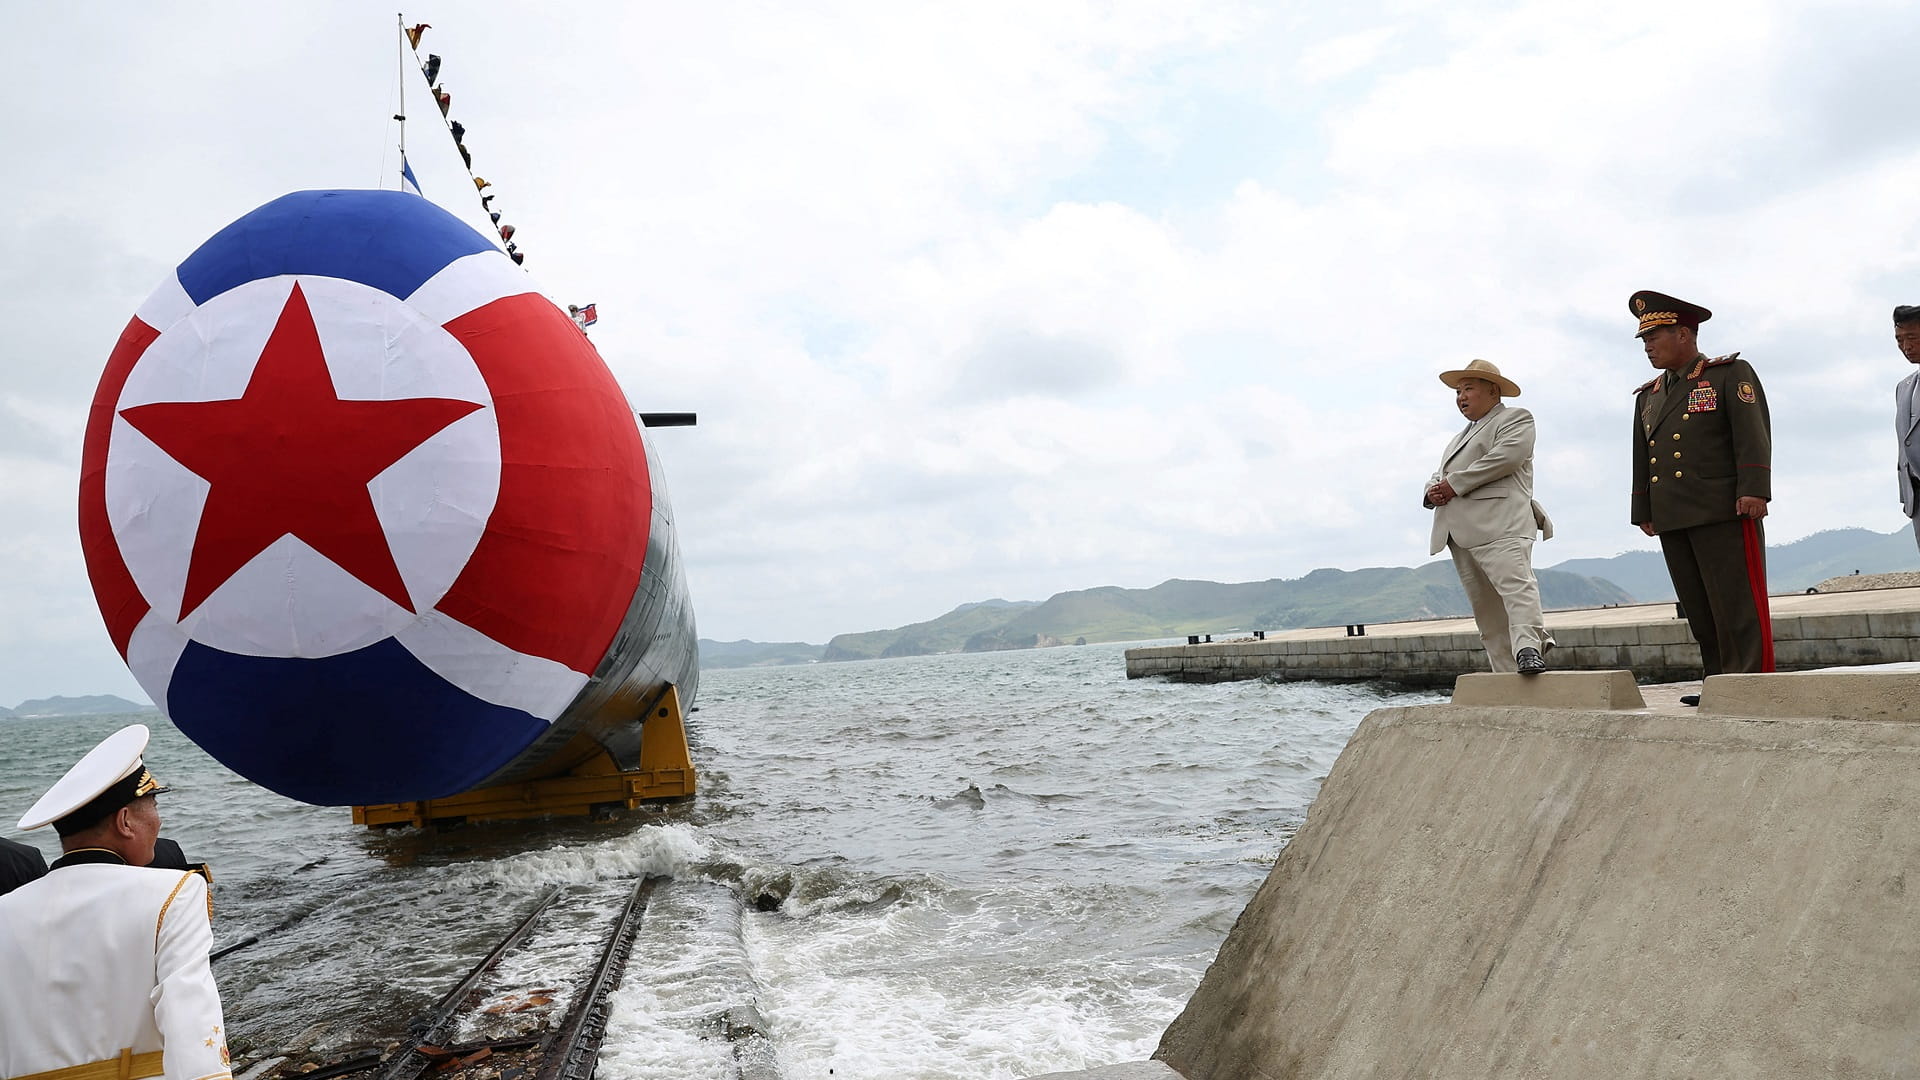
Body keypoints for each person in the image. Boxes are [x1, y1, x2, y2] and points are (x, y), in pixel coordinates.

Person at [0, 724, 231, 1080]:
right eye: (152, 804)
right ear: (125, 821)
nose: (159, 819)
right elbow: (192, 1024)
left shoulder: (6, 910)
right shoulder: (175, 893)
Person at [1628, 290, 1773, 686]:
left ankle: (1751, 682)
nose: (1648, 346)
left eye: (1655, 336)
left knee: (1736, 602)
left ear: (1685, 334)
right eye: (1643, 339)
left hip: (1723, 507)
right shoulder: (1649, 396)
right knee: (1699, 606)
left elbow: (1752, 434)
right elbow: (1644, 452)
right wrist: (1643, 509)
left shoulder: (1727, 374)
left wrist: (1755, 488)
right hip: (1673, 514)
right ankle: (1719, 680)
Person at [1424, 358, 1554, 675]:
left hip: (1502, 522)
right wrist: (1431, 491)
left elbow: (1505, 457)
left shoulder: (1515, 418)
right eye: (1457, 392)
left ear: (1493, 391)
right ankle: (1505, 671)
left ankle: (1528, 649)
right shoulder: (1457, 438)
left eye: (1468, 388)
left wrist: (1452, 485)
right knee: (1486, 608)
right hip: (1460, 531)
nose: (1461, 397)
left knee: (1516, 587)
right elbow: (1439, 474)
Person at [1894, 305, 1920, 553]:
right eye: (1900, 339)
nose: (1905, 346)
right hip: (1917, 500)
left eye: (1912, 338)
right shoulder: (1904, 388)